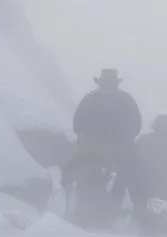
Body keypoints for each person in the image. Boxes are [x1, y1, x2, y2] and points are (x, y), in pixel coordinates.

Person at [61, 69, 147, 211]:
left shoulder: (92, 99)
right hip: (106, 149)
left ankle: (129, 205)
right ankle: (135, 207)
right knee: (133, 172)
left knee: (72, 170)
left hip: (103, 149)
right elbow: (136, 126)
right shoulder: (123, 100)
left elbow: (77, 125)